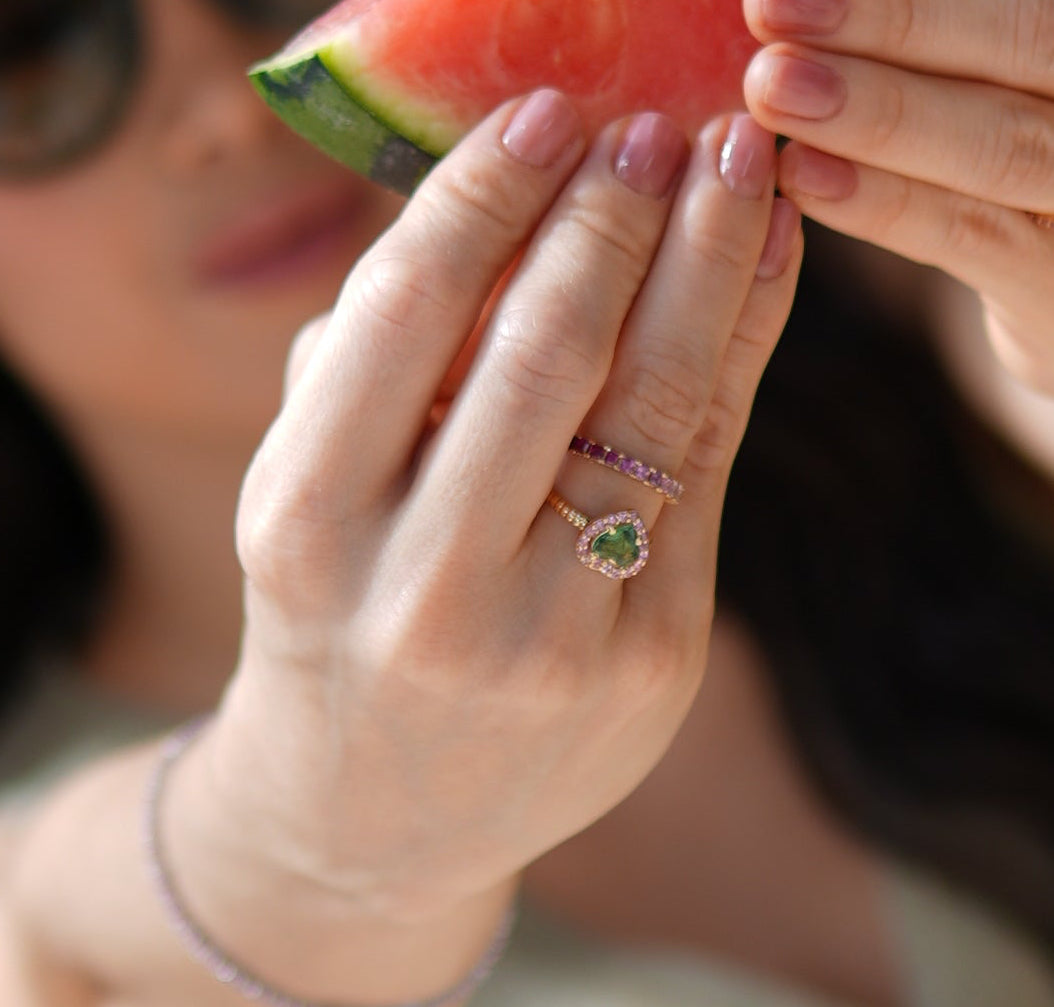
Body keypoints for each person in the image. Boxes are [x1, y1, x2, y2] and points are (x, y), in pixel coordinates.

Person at [0, 2, 1051, 1007]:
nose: (220, 113)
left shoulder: (875, 318)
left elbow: (997, 340)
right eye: (34, 52)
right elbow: (66, 926)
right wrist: (308, 842)